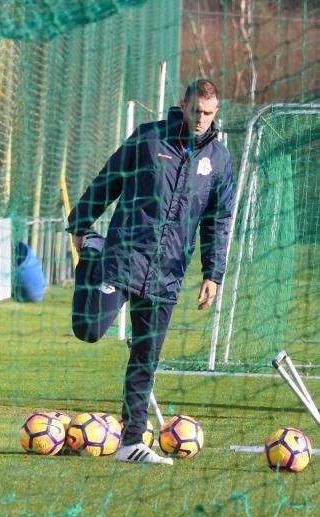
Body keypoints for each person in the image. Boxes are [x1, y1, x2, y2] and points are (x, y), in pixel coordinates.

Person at [67, 79, 233, 464]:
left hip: (167, 273)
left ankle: (130, 443)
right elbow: (108, 179)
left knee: (146, 357)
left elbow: (218, 220)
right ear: (183, 105)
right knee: (89, 330)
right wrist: (81, 223)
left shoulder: (220, 161)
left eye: (208, 114)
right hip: (124, 257)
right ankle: (93, 255)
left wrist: (213, 273)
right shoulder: (148, 139)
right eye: (196, 111)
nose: (201, 120)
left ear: (215, 113)